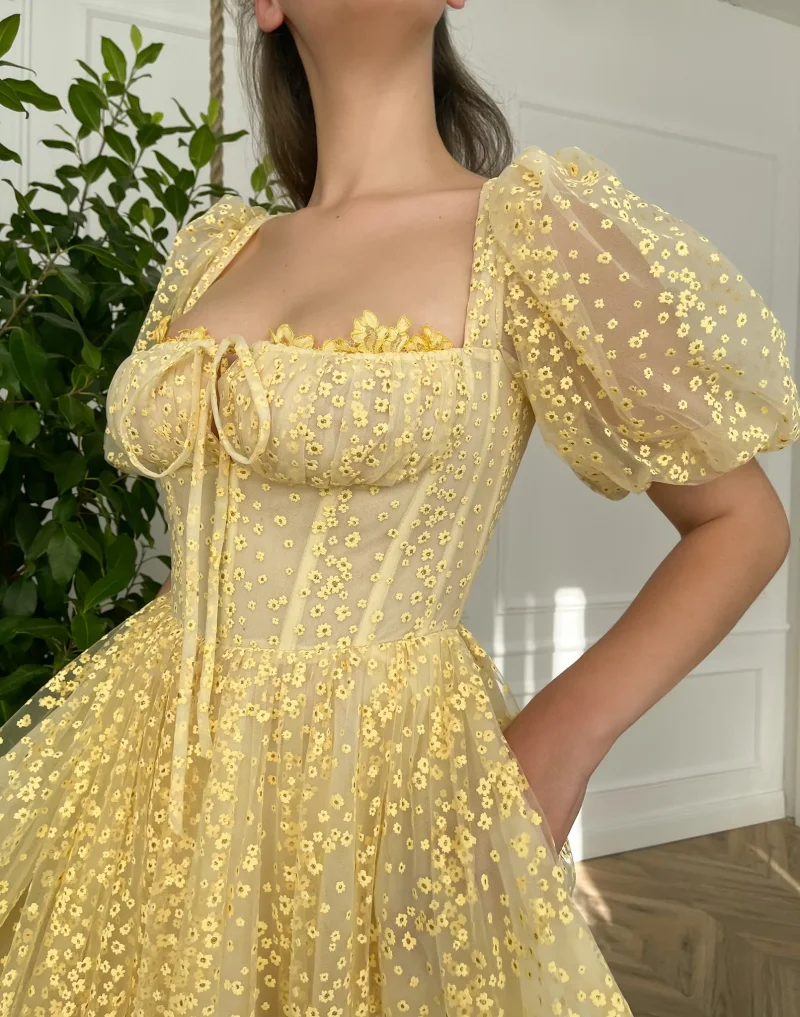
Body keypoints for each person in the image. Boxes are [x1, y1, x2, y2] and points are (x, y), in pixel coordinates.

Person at [1, 0, 798, 1013]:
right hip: (144, 758)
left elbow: (741, 524)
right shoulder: (215, 253)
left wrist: (559, 740)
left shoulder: (529, 233)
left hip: (387, 785)